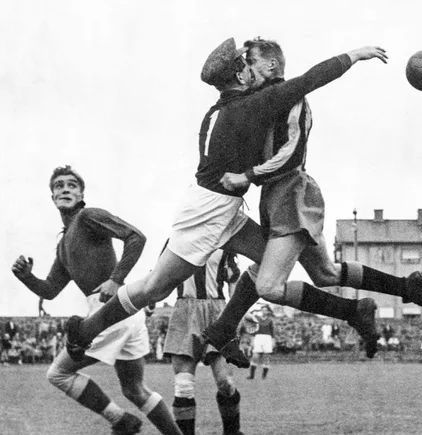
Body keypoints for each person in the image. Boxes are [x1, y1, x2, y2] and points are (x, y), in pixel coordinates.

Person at [65, 38, 394, 367]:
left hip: (223, 208)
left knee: (269, 268)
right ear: (240, 76)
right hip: (206, 213)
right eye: (246, 65)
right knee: (154, 288)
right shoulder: (250, 106)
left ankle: (231, 328)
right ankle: (84, 331)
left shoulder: (220, 109)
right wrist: (354, 55)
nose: (251, 69)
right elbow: (310, 79)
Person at [203, 38, 422, 360]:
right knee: (324, 273)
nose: (245, 69)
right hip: (274, 196)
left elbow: (291, 156)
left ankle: (352, 311)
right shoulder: (259, 100)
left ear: (270, 65)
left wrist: (248, 175)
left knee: (269, 285)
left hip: (292, 192)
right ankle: (405, 287)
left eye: (250, 62)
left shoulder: (291, 98)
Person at [12, 165, 199, 435]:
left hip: (109, 310)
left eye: (72, 185)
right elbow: (50, 290)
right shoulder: (64, 243)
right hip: (123, 314)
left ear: (81, 194)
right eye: (59, 185)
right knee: (134, 389)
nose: (65, 189)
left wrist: (116, 278)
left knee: (58, 373)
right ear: (52, 196)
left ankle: (121, 421)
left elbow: (136, 237)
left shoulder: (88, 217)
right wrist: (26, 277)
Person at [163, 248, 253, 435]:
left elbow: (234, 282)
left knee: (226, 384)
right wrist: (147, 300)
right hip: (185, 311)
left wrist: (240, 313)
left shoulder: (224, 244)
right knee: (183, 386)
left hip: (218, 313)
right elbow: (162, 275)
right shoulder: (176, 242)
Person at [247, 305, 274, 380]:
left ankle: (264, 376)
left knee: (266, 357)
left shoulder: (270, 320)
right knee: (255, 356)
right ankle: (252, 376)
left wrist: (273, 342)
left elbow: (272, 332)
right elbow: (254, 330)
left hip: (267, 338)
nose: (264, 311)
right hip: (258, 338)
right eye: (263, 310)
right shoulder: (257, 319)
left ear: (268, 311)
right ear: (261, 311)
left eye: (265, 310)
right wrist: (252, 341)